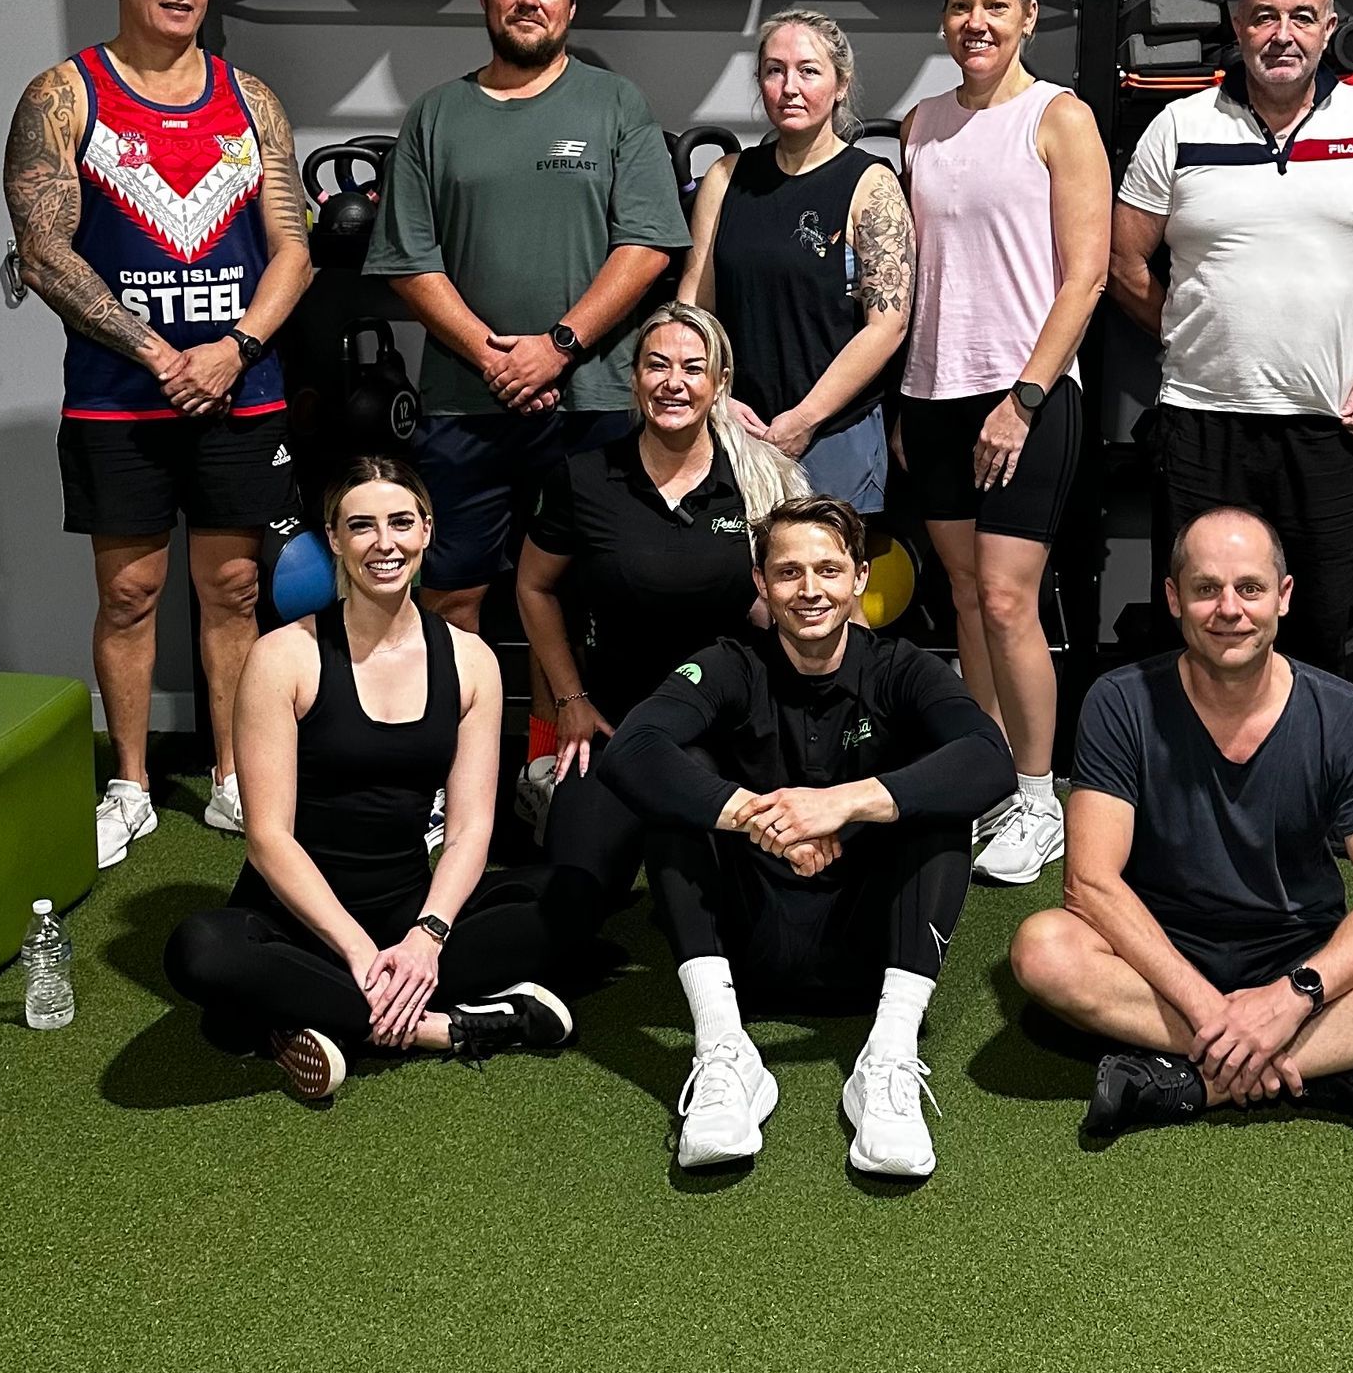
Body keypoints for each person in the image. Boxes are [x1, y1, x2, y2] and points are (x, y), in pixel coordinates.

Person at [1010, 506, 1353, 1140]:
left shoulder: (1348, 717)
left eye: (1250, 588)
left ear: (1283, 597)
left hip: (1301, 959)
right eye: (1206, 588)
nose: (1229, 608)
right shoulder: (1119, 701)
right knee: (1044, 949)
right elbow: (1091, 885)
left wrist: (1290, 999)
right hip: (1160, 955)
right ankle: (1325, 1067)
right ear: (1174, 598)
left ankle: (1189, 1082)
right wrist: (1209, 1006)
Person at [4, 0, 312, 870]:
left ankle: (229, 775)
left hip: (238, 390)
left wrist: (234, 346)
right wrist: (155, 353)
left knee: (233, 587)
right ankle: (132, 784)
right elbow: (43, 249)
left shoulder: (249, 98)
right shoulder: (66, 95)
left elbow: (293, 247)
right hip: (119, 398)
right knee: (130, 591)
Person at [599, 496, 1015, 1179]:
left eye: (828, 568)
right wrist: (754, 816)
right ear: (761, 584)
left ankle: (887, 1054)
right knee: (679, 789)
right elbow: (631, 750)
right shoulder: (732, 662)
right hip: (745, 942)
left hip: (868, 944)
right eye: (789, 572)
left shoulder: (902, 667)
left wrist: (841, 805)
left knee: (936, 801)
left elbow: (989, 757)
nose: (811, 588)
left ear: (859, 577)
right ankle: (724, 1051)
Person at [163, 458, 575, 1102]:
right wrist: (361, 953)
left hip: (407, 911)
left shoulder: (473, 662)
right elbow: (267, 839)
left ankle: (302, 1016)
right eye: (361, 526)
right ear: (334, 539)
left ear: (427, 530)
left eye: (400, 523)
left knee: (574, 895)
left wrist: (426, 939)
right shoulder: (283, 656)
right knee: (202, 953)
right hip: (296, 917)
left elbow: (470, 827)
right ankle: (447, 1028)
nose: (384, 543)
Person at [1107, 0, 1353, 674]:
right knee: (1199, 631)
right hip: (1202, 421)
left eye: (1301, 17)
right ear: (1239, 26)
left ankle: (1299, 787)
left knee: (1317, 628)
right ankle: (1193, 786)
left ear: (1329, 29)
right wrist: (1186, 330)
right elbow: (1122, 261)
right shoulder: (1179, 125)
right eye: (1264, 16)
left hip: (1330, 426)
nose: (1282, 34)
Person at [363, 0, 691, 656]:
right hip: (464, 400)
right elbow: (410, 261)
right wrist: (495, 357)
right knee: (452, 590)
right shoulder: (436, 116)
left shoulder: (615, 105)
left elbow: (645, 246)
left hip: (590, 400)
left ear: (571, 4)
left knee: (582, 593)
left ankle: (555, 760)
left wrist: (557, 347)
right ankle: (461, 765)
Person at [897, 0, 1110, 886]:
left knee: (1006, 599)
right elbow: (921, 277)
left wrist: (1023, 397)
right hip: (933, 393)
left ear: (1028, 14)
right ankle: (987, 777)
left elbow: (1088, 276)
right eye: (960, 6)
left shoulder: (1059, 119)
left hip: (1023, 392)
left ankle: (1038, 796)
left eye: (994, 6)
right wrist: (909, 394)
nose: (974, 22)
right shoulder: (920, 124)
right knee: (964, 606)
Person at [514, 302, 804, 970]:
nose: (674, 382)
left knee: (741, 929)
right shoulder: (584, 477)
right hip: (615, 734)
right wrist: (570, 699)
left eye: (693, 368)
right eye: (658, 364)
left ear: (719, 382)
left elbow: (791, 603)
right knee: (569, 909)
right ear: (635, 377)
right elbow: (533, 587)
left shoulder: (758, 484)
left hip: (726, 737)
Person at [676, 9, 913, 514]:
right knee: (738, 586)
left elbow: (886, 327)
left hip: (834, 435)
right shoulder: (724, 176)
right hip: (736, 431)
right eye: (774, 70)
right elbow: (695, 307)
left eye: (808, 70)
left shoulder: (870, 184)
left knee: (821, 588)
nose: (789, 87)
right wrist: (715, 400)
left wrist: (805, 419)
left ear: (841, 84)